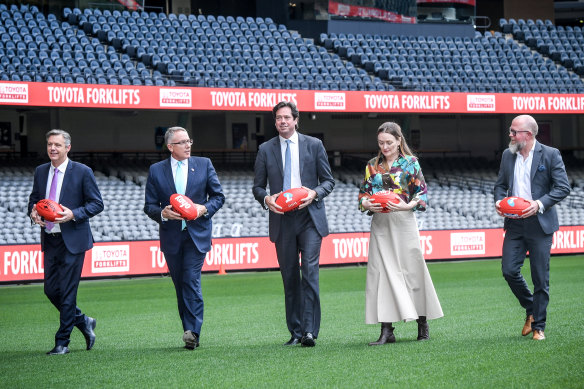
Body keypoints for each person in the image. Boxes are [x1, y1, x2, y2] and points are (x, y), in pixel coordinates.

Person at [252, 101, 335, 347]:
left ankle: (309, 332)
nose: (283, 121)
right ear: (275, 121)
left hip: (309, 217)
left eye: (287, 117)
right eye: (278, 118)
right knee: (289, 277)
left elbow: (328, 181)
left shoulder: (314, 145)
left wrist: (314, 194)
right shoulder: (265, 149)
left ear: (296, 119)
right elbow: (257, 186)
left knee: (309, 274)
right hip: (282, 218)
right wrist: (266, 198)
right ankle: (296, 331)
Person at [358, 122, 443, 345]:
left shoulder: (410, 163)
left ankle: (422, 323)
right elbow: (362, 195)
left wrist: (407, 206)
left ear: (398, 141)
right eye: (380, 143)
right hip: (381, 223)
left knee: (412, 271)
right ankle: (387, 330)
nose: (384, 147)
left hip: (404, 220)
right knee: (381, 274)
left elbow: (421, 194)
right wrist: (367, 203)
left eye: (388, 142)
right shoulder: (372, 165)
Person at [144, 127, 225, 350]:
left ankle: (194, 332)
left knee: (191, 280)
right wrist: (162, 213)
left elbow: (218, 197)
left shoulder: (204, 164)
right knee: (180, 285)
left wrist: (203, 209)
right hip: (171, 236)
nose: (188, 145)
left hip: (197, 235)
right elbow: (148, 205)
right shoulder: (156, 170)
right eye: (182, 142)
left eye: (189, 140)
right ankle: (188, 329)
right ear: (170, 147)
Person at [27, 129, 104, 355]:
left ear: (67, 148)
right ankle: (83, 322)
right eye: (50, 144)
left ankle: (62, 342)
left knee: (68, 292)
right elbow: (34, 201)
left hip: (74, 239)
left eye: (58, 145)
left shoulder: (82, 171)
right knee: (51, 291)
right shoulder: (41, 171)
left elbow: (97, 204)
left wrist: (74, 214)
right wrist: (33, 213)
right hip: (50, 239)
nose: (53, 148)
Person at [494, 114, 570, 341]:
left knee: (540, 277)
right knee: (509, 271)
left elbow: (563, 187)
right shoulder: (508, 155)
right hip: (515, 223)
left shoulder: (550, 154)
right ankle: (531, 309)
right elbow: (500, 186)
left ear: (527, 135)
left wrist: (538, 204)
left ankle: (539, 326)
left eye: (514, 131)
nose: (510, 134)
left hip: (540, 224)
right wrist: (499, 202)